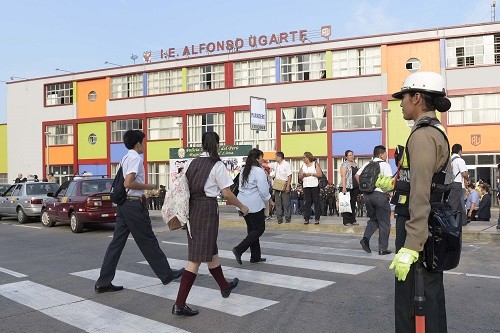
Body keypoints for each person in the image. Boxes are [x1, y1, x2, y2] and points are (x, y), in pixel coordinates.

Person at [390, 71, 453, 332]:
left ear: (417, 98)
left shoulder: (423, 135)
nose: (401, 103)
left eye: (403, 97)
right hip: (425, 225)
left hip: (418, 228)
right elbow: (419, 180)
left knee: (414, 304)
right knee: (429, 298)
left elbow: (420, 193)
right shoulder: (431, 131)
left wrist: (412, 245)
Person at [95, 130, 183, 294]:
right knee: (148, 240)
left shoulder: (125, 157)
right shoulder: (135, 158)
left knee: (116, 243)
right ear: (137, 144)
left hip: (123, 206)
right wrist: (150, 186)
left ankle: (103, 281)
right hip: (133, 206)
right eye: (143, 142)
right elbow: (129, 183)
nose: (144, 145)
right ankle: (166, 274)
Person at [173, 131, 249, 317]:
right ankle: (179, 304)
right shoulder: (217, 165)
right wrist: (242, 206)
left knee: (210, 251)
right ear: (216, 144)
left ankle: (224, 286)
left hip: (193, 209)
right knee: (195, 258)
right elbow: (227, 193)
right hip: (206, 209)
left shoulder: (192, 162)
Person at [233, 148, 273, 264]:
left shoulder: (244, 169)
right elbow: (263, 190)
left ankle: (255, 256)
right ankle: (239, 249)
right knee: (259, 229)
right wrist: (269, 200)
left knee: (252, 229)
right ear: (257, 158)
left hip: (243, 203)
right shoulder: (258, 171)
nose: (262, 160)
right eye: (261, 158)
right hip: (254, 204)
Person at [356, 145, 393, 255]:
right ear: (381, 154)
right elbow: (390, 182)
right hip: (380, 196)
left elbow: (357, 176)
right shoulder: (385, 165)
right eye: (385, 153)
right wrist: (388, 193)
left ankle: (365, 239)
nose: (386, 155)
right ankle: (383, 249)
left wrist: (365, 189)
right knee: (384, 222)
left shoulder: (368, 164)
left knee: (373, 219)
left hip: (367, 196)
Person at [298, 151, 322, 225]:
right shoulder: (303, 166)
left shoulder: (315, 164)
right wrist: (303, 175)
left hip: (314, 185)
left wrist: (311, 174)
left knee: (316, 201)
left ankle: (317, 218)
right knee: (307, 202)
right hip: (306, 185)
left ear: (308, 157)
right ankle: (306, 218)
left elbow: (320, 174)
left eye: (304, 157)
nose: (303, 159)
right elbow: (300, 177)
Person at [269, 151, 292, 224]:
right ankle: (279, 218)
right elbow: (267, 165)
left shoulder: (286, 164)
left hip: (284, 184)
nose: (275, 158)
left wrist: (288, 186)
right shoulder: (275, 164)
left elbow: (289, 176)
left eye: (276, 156)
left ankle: (287, 217)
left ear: (279, 157)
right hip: (277, 185)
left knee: (286, 203)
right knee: (278, 202)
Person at [448, 144, 469, 225]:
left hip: (450, 183)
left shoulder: (449, 159)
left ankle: (463, 220)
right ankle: (451, 222)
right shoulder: (460, 160)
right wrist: (468, 179)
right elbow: (464, 173)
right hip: (457, 184)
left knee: (459, 203)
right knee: (453, 204)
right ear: (460, 151)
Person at [340, 150, 359, 226]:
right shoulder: (344, 164)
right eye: (350, 155)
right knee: (346, 203)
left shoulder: (355, 164)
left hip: (355, 186)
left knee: (353, 203)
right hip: (347, 186)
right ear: (346, 157)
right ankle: (346, 220)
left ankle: (352, 219)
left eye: (352, 154)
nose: (352, 156)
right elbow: (343, 176)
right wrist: (344, 187)